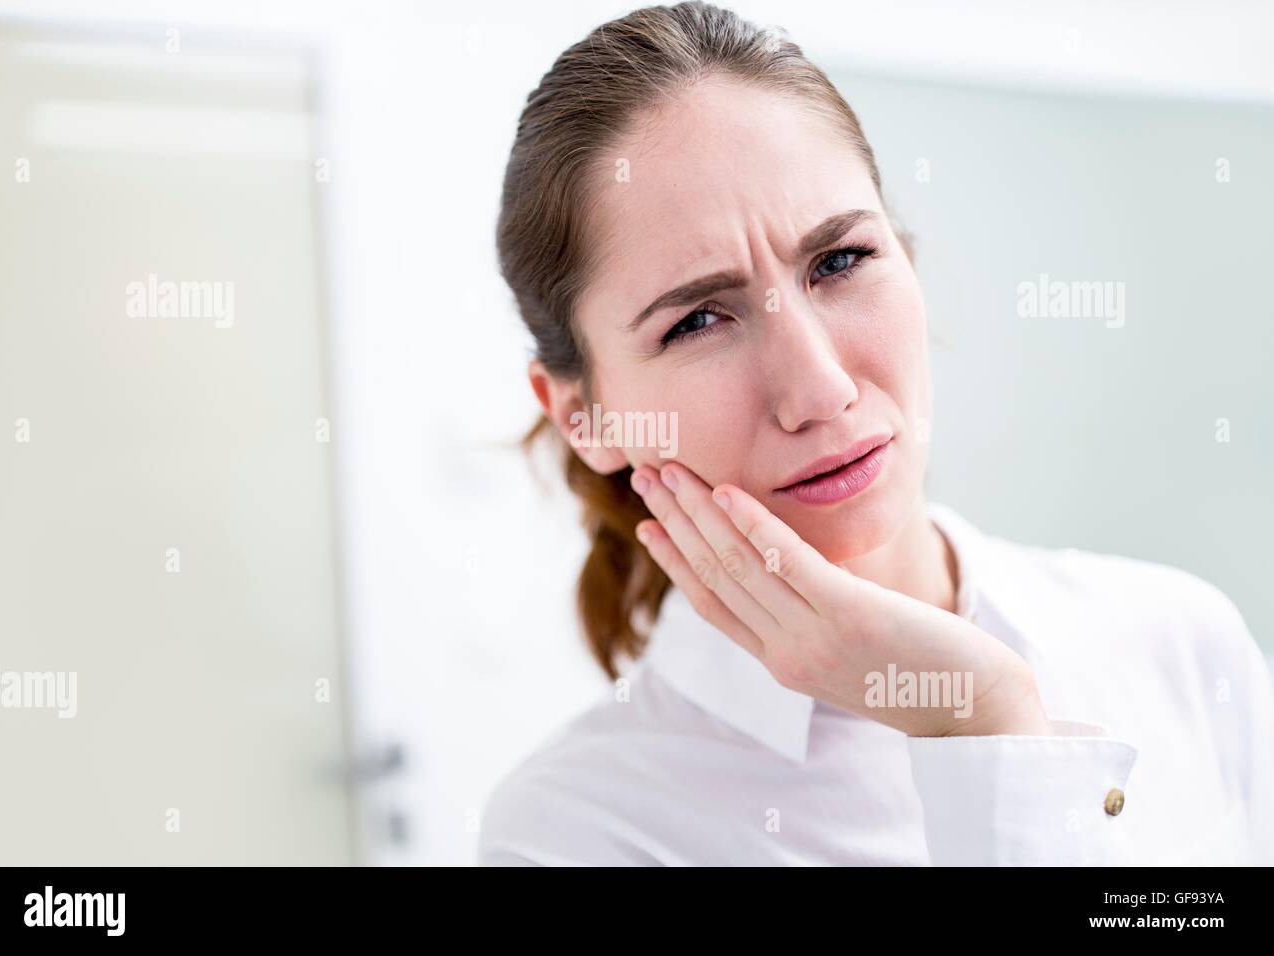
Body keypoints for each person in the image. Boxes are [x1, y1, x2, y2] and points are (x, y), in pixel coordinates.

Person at [479, 0, 1274, 865]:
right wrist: (979, 716)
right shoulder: (574, 831)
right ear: (584, 418)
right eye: (700, 320)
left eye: (840, 261)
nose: (818, 390)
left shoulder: (1182, 641)